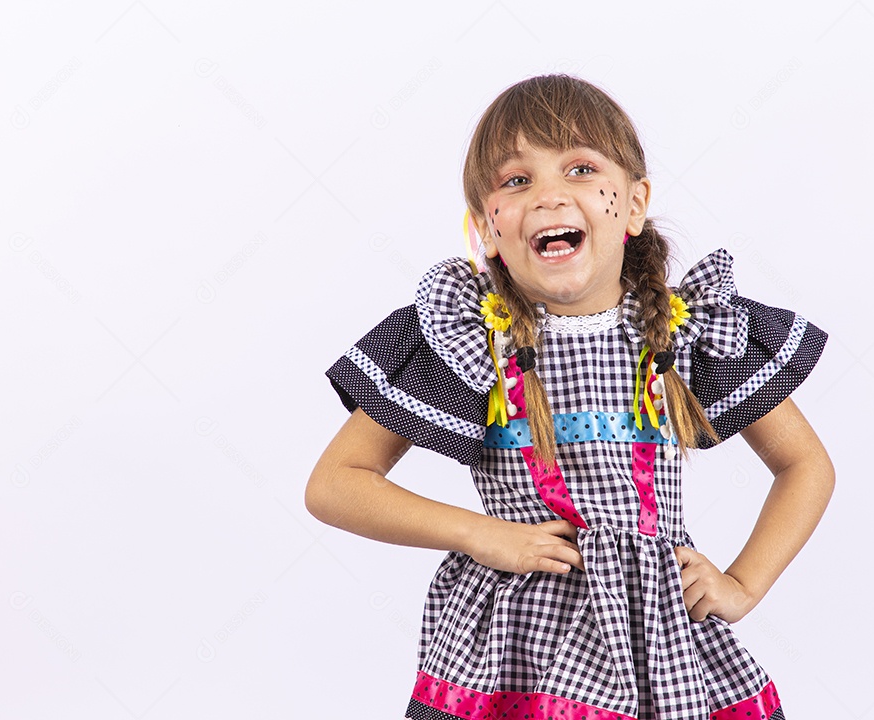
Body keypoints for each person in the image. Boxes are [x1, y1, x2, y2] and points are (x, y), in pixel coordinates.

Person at [307, 74, 834, 720]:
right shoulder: (475, 342)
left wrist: (743, 584)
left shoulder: (680, 332)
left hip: (658, 643)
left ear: (635, 205)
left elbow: (805, 465)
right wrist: (482, 535)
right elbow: (335, 483)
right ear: (485, 228)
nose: (549, 195)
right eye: (516, 181)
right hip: (515, 654)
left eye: (581, 169)